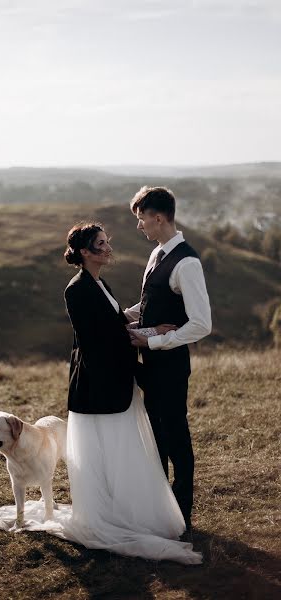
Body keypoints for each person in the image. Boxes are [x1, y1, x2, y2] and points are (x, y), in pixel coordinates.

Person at [0, 221, 202, 565]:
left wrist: (141, 322)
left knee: (123, 454)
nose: (109, 248)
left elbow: (111, 323)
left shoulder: (99, 282)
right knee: (107, 455)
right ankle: (110, 517)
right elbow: (98, 341)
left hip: (115, 383)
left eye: (107, 242)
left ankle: (129, 511)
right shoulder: (76, 289)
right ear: (85, 252)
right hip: (97, 388)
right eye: (101, 244)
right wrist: (150, 334)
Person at [125, 187, 212, 534]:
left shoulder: (187, 263)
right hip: (150, 365)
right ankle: (162, 511)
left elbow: (201, 323)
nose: (140, 226)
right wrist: (117, 314)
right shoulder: (157, 253)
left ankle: (183, 516)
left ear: (158, 217)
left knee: (176, 436)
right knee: (156, 435)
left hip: (172, 367)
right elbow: (149, 303)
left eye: (141, 218)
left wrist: (158, 340)